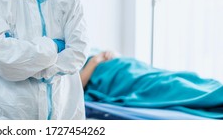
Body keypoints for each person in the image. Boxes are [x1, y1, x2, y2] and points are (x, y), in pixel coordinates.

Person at [80, 51, 223, 119]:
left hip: (129, 66)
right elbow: (76, 87)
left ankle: (214, 92)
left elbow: (114, 55)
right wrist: (95, 60)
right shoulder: (68, 69)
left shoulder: (85, 49)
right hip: (117, 79)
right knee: (168, 85)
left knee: (177, 77)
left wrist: (112, 54)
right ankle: (215, 97)